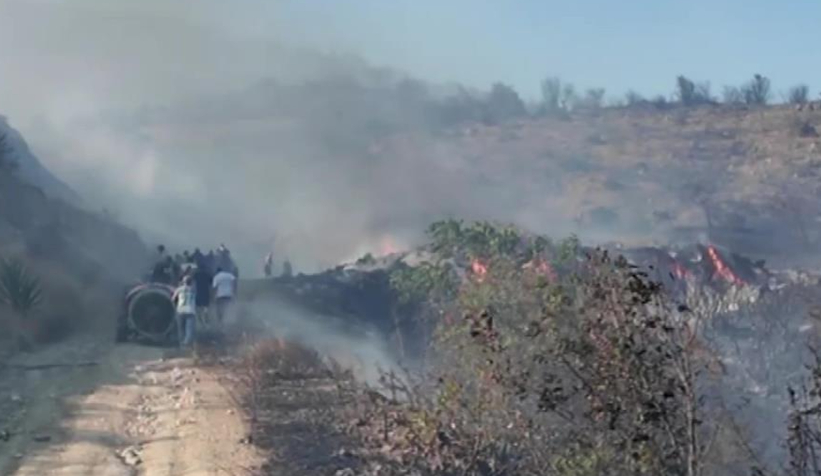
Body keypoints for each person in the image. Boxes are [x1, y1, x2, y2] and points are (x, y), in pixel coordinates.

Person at [172, 275, 197, 348]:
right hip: (190, 310)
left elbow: (173, 299)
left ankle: (181, 343)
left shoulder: (179, 289)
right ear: (191, 282)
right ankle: (187, 342)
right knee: (189, 329)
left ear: (183, 282)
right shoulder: (193, 289)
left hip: (180, 310)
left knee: (180, 328)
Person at [193, 258, 213, 328]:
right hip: (206, 293)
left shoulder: (196, 274)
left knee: (198, 309)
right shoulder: (208, 274)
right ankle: (206, 322)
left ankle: (200, 322)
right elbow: (211, 284)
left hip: (198, 293)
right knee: (205, 309)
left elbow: (193, 283)